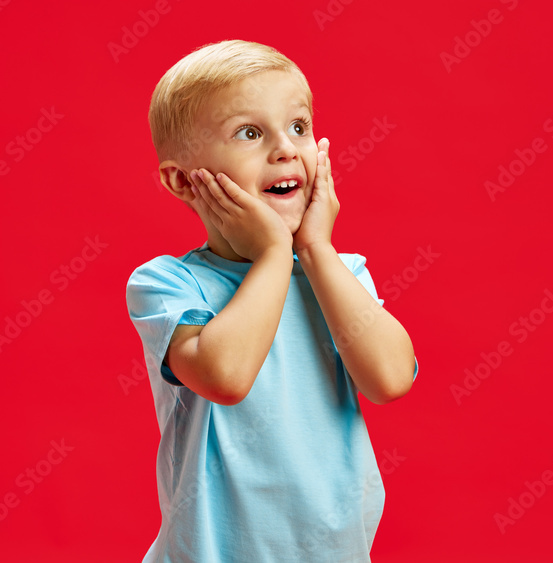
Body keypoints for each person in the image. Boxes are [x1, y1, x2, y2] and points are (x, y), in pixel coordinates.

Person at [126, 39, 418, 562]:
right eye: (250, 133)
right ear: (181, 181)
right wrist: (272, 255)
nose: (286, 149)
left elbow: (390, 379)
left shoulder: (340, 275)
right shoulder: (169, 284)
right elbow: (226, 378)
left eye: (299, 127)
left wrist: (314, 248)